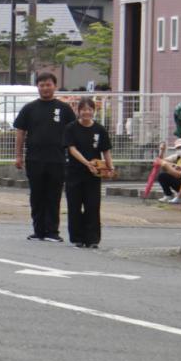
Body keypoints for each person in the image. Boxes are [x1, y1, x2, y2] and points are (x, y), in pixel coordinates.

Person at [13, 72, 77, 242]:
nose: (45, 88)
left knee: (54, 195)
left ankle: (52, 231)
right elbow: (20, 132)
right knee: (36, 195)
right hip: (34, 159)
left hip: (57, 159)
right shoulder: (29, 108)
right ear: (38, 87)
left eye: (48, 84)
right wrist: (18, 156)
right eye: (42, 85)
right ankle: (38, 230)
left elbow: (73, 133)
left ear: (54, 86)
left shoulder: (64, 109)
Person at [63, 96, 114, 248]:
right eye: (83, 110)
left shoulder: (100, 129)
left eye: (89, 110)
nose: (86, 112)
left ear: (94, 111)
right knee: (74, 205)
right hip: (74, 172)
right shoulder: (71, 128)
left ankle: (92, 239)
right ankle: (77, 238)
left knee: (92, 205)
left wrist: (110, 168)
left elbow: (106, 151)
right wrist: (87, 163)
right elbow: (72, 149)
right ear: (78, 111)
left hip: (94, 174)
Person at [154, 140, 181, 205]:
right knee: (163, 176)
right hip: (180, 181)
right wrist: (162, 151)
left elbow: (178, 174)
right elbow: (161, 161)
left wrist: (167, 165)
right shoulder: (177, 157)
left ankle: (179, 197)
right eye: (178, 148)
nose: (180, 150)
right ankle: (169, 195)